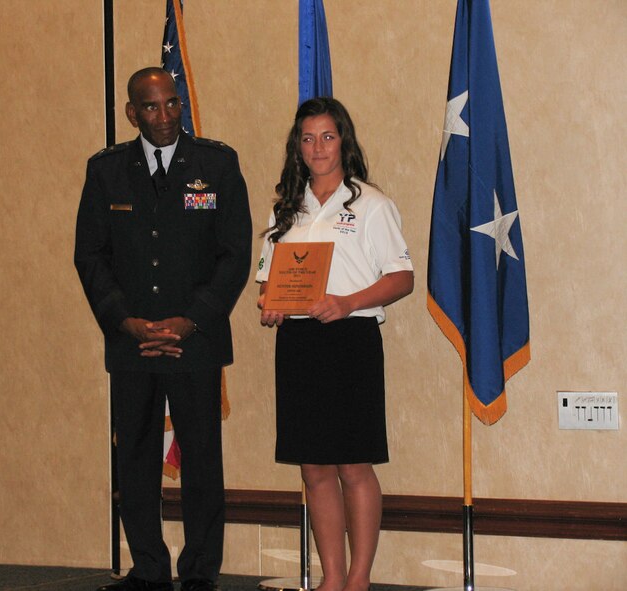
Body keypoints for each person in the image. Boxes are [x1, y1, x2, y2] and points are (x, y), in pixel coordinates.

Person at [75, 67, 252, 591]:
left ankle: (199, 573)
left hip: (194, 343)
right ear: (133, 113)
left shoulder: (217, 164)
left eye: (172, 104)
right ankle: (148, 569)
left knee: (202, 462)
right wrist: (123, 319)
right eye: (151, 107)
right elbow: (90, 255)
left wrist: (191, 319)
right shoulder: (106, 171)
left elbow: (235, 254)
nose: (165, 116)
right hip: (132, 345)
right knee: (135, 459)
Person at [256, 97, 413, 591]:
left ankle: (359, 578)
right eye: (307, 138)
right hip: (299, 345)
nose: (317, 147)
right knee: (314, 467)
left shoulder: (372, 204)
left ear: (343, 140)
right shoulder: (286, 208)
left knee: (353, 464)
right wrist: (273, 303)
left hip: (351, 341)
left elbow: (402, 277)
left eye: (327, 136)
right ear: (296, 147)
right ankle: (332, 577)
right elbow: (267, 282)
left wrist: (347, 303)